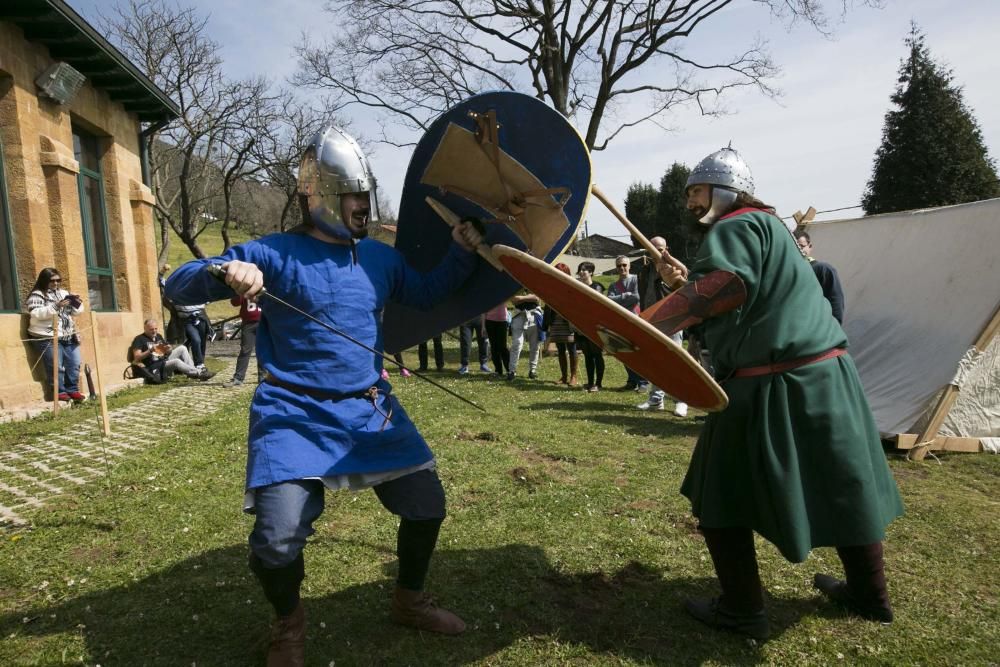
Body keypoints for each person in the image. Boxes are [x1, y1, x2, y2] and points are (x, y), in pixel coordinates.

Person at [164, 126, 483, 664]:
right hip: (292, 412)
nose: (363, 205)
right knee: (277, 538)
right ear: (322, 196)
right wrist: (225, 269)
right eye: (354, 194)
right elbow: (178, 286)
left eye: (366, 192)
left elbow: (427, 293)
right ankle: (288, 624)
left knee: (427, 506)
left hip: (369, 407)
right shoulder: (276, 253)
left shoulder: (380, 259)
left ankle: (409, 601)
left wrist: (459, 251)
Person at [652, 145, 903, 641]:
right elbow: (747, 294)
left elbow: (726, 286)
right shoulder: (773, 230)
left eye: (697, 191)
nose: (689, 203)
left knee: (717, 490)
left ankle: (743, 612)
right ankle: (870, 595)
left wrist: (644, 325)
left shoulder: (736, 225)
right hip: (827, 376)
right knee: (844, 483)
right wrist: (689, 285)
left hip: (772, 381)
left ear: (724, 191)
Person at [635, 236, 689, 417]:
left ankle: (681, 400)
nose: (656, 251)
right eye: (653, 247)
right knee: (656, 362)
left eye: (660, 248)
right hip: (651, 320)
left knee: (675, 362)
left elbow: (684, 271)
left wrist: (668, 258)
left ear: (666, 249)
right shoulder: (643, 270)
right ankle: (656, 399)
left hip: (671, 319)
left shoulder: (671, 268)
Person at [24, 268, 85, 402]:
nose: (56, 283)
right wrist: (56, 306)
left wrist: (76, 301)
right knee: (55, 366)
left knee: (74, 363)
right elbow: (35, 314)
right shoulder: (37, 294)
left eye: (58, 280)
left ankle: (73, 390)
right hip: (47, 336)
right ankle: (60, 391)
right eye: (52, 280)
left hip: (68, 334)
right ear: (45, 280)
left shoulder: (63, 293)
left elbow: (76, 312)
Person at [131, 319, 215, 381]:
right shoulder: (139, 339)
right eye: (151, 329)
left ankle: (192, 372)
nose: (154, 331)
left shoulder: (158, 336)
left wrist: (169, 349)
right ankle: (199, 373)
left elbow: (167, 351)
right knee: (176, 362)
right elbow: (137, 357)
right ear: (145, 328)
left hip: (163, 360)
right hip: (155, 366)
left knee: (182, 348)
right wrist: (150, 350)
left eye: (155, 328)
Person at [606, 255, 644, 390]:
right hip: (621, 321)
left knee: (638, 351)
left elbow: (637, 297)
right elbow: (609, 300)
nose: (621, 268)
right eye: (619, 266)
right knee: (624, 350)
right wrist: (624, 296)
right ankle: (632, 381)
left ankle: (643, 382)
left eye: (624, 265)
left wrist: (621, 301)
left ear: (629, 266)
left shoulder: (636, 279)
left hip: (636, 319)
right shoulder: (613, 285)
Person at [794, 230, 846, 324]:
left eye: (801, 246)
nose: (798, 249)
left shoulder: (822, 269)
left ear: (810, 247)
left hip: (816, 328)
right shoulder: (784, 272)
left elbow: (835, 300)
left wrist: (835, 327)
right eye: (794, 247)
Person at [543, 263, 578, 385]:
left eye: (560, 272)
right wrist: (546, 323)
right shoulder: (551, 286)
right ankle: (564, 377)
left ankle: (573, 376)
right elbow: (547, 305)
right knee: (560, 349)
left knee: (572, 348)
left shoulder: (572, 286)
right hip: (555, 321)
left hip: (568, 322)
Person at [575, 261, 605, 392]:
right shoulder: (577, 287)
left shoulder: (597, 286)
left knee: (596, 354)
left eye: (584, 270)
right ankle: (590, 382)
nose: (581, 272)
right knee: (587, 355)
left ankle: (598, 384)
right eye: (580, 270)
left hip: (595, 326)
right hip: (582, 326)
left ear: (591, 272)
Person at [224, 295, 263, 387]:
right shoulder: (245, 286)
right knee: (245, 350)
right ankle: (238, 377)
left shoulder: (267, 284)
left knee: (263, 350)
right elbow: (234, 302)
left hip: (263, 321)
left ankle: (263, 377)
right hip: (248, 323)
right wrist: (240, 293)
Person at [508, 291, 543, 380]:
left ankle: (533, 370)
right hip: (519, 316)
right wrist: (529, 297)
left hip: (534, 316)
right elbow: (513, 300)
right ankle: (512, 371)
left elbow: (537, 298)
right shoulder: (516, 285)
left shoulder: (535, 284)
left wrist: (521, 298)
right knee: (516, 344)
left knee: (535, 346)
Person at [174, 302, 210, 367]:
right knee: (196, 340)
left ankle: (200, 364)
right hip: (187, 320)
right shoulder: (179, 294)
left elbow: (206, 300)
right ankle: (198, 363)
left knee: (202, 342)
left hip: (200, 317)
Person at [483, 301, 510, 376]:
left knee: (503, 347)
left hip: (502, 321)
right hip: (489, 321)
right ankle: (498, 370)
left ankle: (509, 370)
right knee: (494, 347)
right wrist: (483, 326)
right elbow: (483, 310)